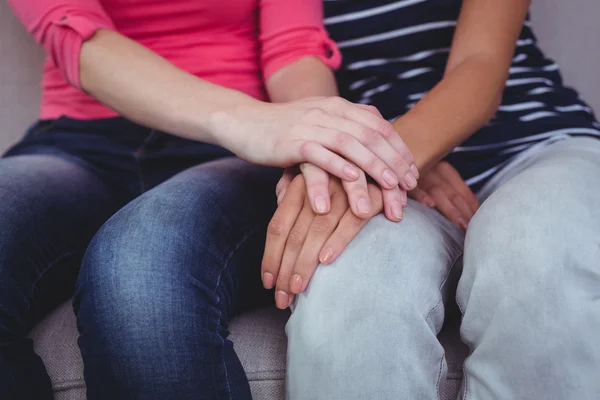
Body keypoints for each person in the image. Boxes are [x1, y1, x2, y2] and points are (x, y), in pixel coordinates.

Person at [1, 1, 420, 399]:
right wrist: (245, 119)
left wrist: (318, 136)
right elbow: (74, 33)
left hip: (233, 152)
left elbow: (293, 46)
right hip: (83, 141)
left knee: (141, 267)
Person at [263, 0, 600, 399]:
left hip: (533, 145)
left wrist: (390, 155)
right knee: (347, 282)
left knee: (533, 251)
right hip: (390, 164)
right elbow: (292, 53)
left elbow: (480, 62)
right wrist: (375, 154)